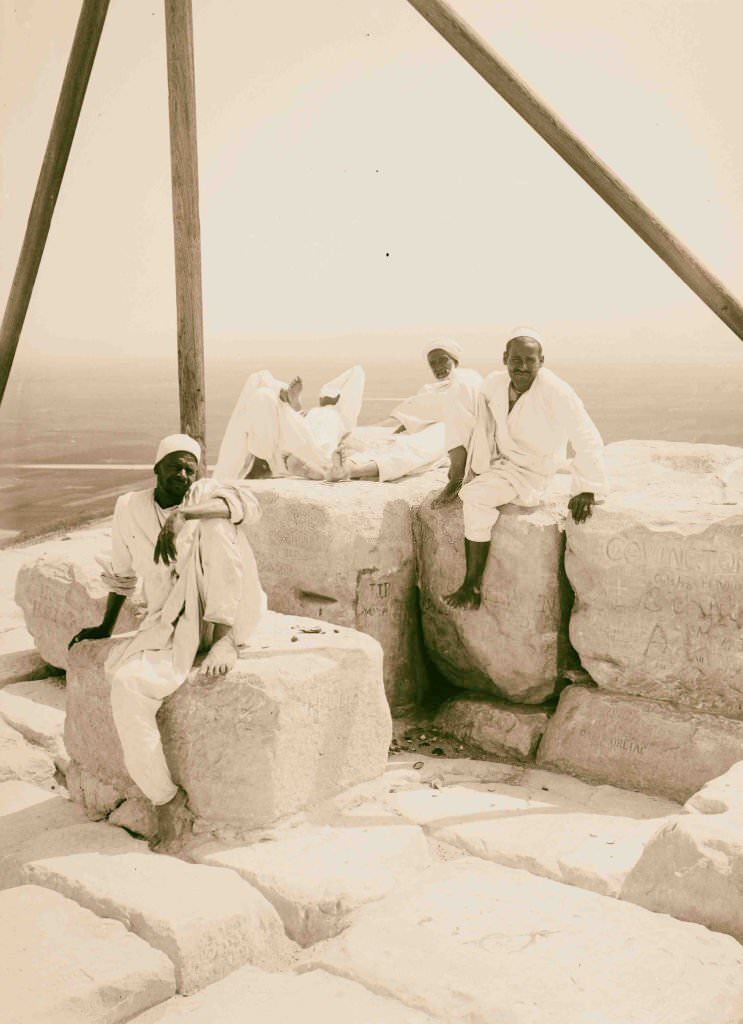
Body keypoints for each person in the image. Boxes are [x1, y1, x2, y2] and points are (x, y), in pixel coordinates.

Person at [68, 434, 266, 847]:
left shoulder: (206, 494)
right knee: (126, 685)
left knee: (214, 524)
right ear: (155, 469)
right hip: (171, 624)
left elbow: (249, 508)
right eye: (174, 466)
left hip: (226, 614)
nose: (182, 473)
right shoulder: (129, 509)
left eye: (189, 467)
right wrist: (105, 628)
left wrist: (184, 516)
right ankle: (165, 799)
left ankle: (227, 641)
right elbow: (123, 575)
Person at [442, 328, 607, 610]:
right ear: (504, 358)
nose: (522, 366)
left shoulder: (556, 391)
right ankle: (463, 477)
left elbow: (586, 436)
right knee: (458, 401)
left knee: (474, 497)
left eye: (530, 360)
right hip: (500, 462)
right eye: (516, 359)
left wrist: (587, 489)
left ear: (541, 361)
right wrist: (472, 464)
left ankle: (472, 585)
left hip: (533, 471)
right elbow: (478, 419)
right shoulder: (494, 384)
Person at [328, 343, 482, 483]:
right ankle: (345, 465)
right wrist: (399, 431)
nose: (438, 366)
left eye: (442, 360)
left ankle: (350, 470)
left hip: (452, 431)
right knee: (390, 444)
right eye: (433, 363)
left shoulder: (468, 378)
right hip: (425, 429)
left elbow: (466, 411)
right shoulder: (429, 390)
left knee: (415, 448)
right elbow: (415, 416)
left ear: (455, 361)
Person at [212, 366, 365, 481]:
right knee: (261, 390)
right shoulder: (315, 414)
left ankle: (320, 467)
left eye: (330, 398)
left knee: (263, 393)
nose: (325, 399)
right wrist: (295, 408)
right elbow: (295, 426)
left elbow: (356, 374)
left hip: (296, 450)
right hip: (287, 446)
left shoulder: (336, 416)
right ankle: (317, 466)